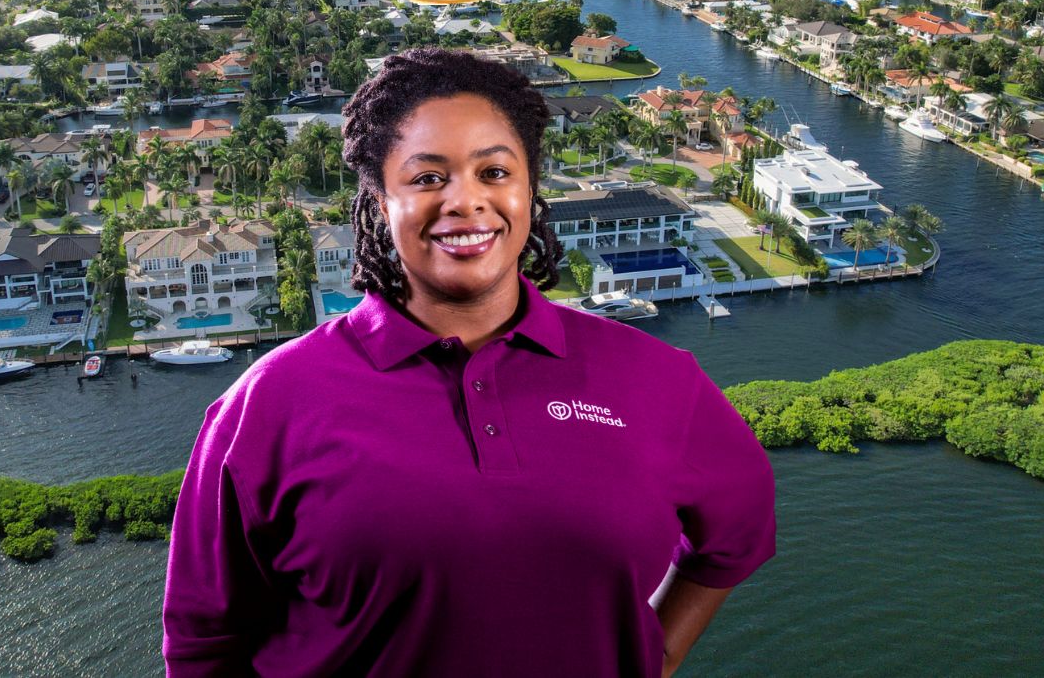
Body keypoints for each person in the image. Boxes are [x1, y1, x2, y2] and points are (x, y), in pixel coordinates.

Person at [163, 48, 775, 677]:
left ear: (529, 188)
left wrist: (655, 655)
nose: (465, 200)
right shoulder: (268, 404)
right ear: (379, 202)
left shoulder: (656, 379)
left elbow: (737, 530)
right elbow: (205, 638)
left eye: (494, 172)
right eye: (428, 178)